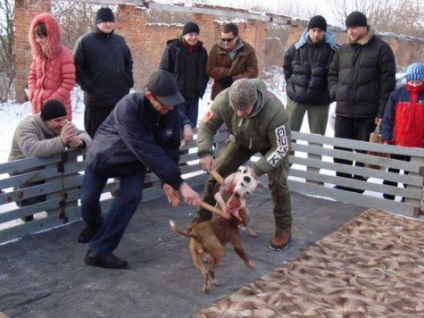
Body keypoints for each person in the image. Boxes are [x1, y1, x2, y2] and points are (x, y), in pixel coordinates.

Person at [78, 70, 201, 269]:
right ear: (149, 96)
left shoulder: (169, 111)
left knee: (131, 196)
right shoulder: (128, 107)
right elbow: (146, 148)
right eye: (164, 103)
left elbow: (169, 148)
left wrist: (167, 181)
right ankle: (96, 226)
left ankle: (99, 250)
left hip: (133, 163)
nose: (169, 108)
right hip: (105, 155)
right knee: (88, 200)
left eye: (172, 103)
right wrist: (181, 184)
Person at [195, 78, 293, 250]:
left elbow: (282, 147)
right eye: (236, 110)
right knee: (216, 175)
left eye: (244, 110)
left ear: (255, 102)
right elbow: (206, 125)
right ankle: (202, 217)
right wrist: (205, 152)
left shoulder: (275, 111)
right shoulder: (223, 100)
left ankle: (283, 229)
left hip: (271, 146)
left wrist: (255, 170)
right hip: (240, 141)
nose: (239, 114)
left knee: (278, 183)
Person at [328, 11, 396, 192]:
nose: (351, 32)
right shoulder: (343, 50)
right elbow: (332, 74)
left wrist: (382, 112)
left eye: (355, 28)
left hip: (367, 112)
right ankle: (342, 183)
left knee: (362, 153)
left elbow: (388, 84)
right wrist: (336, 92)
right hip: (343, 110)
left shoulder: (381, 48)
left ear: (365, 27)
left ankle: (357, 187)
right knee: (340, 150)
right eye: (349, 28)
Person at [8, 99, 92, 221]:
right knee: (29, 196)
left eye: (64, 118)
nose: (62, 123)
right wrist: (61, 141)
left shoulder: (62, 124)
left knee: (82, 183)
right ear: (45, 120)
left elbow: (84, 135)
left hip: (54, 170)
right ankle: (26, 210)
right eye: (57, 120)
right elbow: (32, 150)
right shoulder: (27, 126)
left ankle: (69, 212)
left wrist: (81, 142)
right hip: (27, 174)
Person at [73, 7, 134, 138]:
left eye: (111, 21)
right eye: (104, 21)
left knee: (118, 139)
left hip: (119, 101)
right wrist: (89, 86)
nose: (108, 24)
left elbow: (128, 61)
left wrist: (128, 80)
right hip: (96, 103)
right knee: (96, 140)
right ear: (97, 22)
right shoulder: (85, 41)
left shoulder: (119, 40)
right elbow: (75, 68)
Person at [284, 15, 339, 135]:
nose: (316, 34)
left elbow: (335, 75)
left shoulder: (333, 51)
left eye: (320, 31)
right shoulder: (296, 48)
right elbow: (287, 67)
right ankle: (288, 155)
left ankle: (314, 155)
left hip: (320, 101)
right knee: (288, 136)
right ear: (308, 30)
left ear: (324, 32)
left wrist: (329, 94)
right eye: (313, 30)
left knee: (317, 140)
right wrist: (290, 85)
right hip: (296, 97)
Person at [381, 62, 424, 200]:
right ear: (407, 79)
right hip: (397, 141)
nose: (415, 85)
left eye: (418, 82)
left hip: (417, 143)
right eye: (412, 81)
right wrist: (386, 137)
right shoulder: (397, 94)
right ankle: (388, 197)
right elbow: (388, 117)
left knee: (410, 173)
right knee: (393, 169)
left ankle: (407, 198)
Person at [159, 21, 209, 127]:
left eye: (196, 34)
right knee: (177, 127)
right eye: (190, 34)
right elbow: (163, 72)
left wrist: (201, 87)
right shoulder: (173, 49)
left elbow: (205, 73)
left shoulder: (202, 51)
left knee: (191, 127)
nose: (194, 37)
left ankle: (188, 144)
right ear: (184, 35)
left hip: (194, 97)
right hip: (177, 96)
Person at [28, 13, 75, 121]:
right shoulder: (38, 56)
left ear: (51, 35)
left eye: (42, 36)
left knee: (60, 137)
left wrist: (51, 102)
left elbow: (68, 82)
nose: (38, 40)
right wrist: (33, 95)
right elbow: (32, 76)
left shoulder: (64, 54)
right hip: (38, 109)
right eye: (36, 37)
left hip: (58, 110)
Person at [206, 23, 258, 101]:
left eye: (229, 40)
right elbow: (209, 69)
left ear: (236, 37)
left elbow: (253, 71)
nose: (225, 42)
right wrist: (227, 73)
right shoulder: (216, 48)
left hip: (240, 92)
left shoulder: (248, 49)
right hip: (220, 92)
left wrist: (234, 79)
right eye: (223, 39)